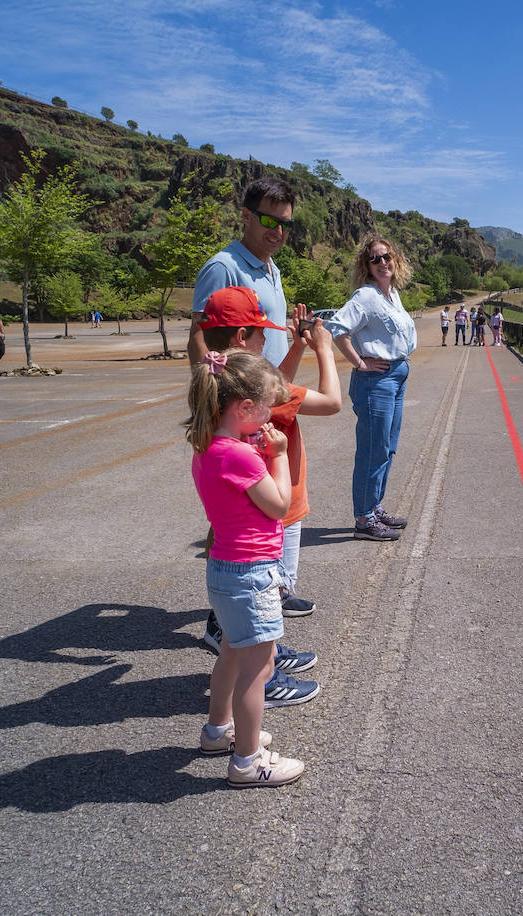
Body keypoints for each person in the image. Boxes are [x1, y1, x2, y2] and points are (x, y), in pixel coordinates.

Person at [195, 286, 335, 709]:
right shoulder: (251, 400)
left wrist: (295, 347)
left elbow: (276, 383)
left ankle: (252, 648)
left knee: (248, 616)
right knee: (268, 595)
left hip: (234, 537)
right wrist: (324, 349)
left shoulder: (222, 390)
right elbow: (329, 401)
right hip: (272, 511)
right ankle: (265, 673)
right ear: (242, 338)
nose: (265, 342)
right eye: (261, 334)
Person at [186, 348, 305, 788]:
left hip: (226, 570)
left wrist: (255, 448)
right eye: (268, 406)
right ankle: (248, 761)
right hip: (252, 572)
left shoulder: (212, 447)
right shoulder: (243, 456)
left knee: (233, 653)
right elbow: (278, 506)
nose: (272, 414)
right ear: (245, 408)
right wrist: (278, 453)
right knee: (260, 667)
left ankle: (218, 731)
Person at [327, 236, 417, 541]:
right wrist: (360, 363)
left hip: (396, 377)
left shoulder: (391, 295)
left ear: (396, 260)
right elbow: (338, 329)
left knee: (387, 448)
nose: (383, 263)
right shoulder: (365, 296)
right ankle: (364, 520)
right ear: (366, 266)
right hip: (375, 381)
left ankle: (374, 506)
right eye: (375, 259)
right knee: (372, 449)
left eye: (387, 256)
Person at [188, 176, 295, 369]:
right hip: (244, 395)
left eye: (285, 224)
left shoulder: (273, 269)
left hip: (274, 392)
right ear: (246, 216)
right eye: (269, 221)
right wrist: (211, 394)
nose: (279, 232)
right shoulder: (223, 267)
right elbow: (199, 337)